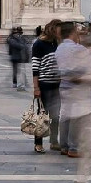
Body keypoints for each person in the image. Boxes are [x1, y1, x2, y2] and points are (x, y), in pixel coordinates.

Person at [56, 21, 91, 183]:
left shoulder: (61, 49)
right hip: (83, 102)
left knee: (83, 140)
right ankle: (81, 181)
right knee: (87, 143)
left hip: (70, 99)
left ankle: (82, 174)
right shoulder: (82, 52)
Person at [30, 19, 62, 154]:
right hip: (44, 84)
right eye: (59, 30)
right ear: (53, 29)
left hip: (58, 84)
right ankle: (38, 143)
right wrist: (36, 87)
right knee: (43, 115)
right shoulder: (39, 44)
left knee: (56, 115)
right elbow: (35, 67)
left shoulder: (57, 43)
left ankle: (54, 141)